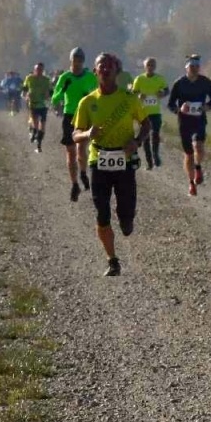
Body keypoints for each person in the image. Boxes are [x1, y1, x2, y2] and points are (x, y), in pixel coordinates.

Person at [71, 53, 151, 277]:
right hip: (99, 161)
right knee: (102, 213)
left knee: (126, 215)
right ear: (95, 72)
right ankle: (112, 260)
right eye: (101, 67)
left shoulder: (129, 99)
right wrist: (87, 133)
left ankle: (127, 219)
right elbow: (75, 134)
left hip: (124, 161)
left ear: (117, 71)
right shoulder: (87, 102)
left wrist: (137, 142)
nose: (105, 70)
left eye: (109, 67)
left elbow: (146, 124)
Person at [52, 48, 98, 202]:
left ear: (83, 61)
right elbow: (54, 99)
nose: (77, 63)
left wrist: (89, 95)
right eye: (75, 60)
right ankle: (74, 184)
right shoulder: (64, 77)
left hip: (84, 116)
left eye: (80, 60)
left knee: (81, 148)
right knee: (70, 152)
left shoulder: (90, 77)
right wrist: (63, 90)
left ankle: (83, 172)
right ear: (70, 60)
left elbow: (98, 94)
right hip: (69, 116)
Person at [168, 55, 211, 196]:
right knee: (189, 153)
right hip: (184, 122)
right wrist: (179, 110)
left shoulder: (205, 82)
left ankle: (198, 167)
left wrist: (208, 106)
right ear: (186, 68)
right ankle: (191, 183)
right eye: (192, 66)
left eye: (197, 66)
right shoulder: (179, 83)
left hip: (199, 119)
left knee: (199, 146)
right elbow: (170, 104)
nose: (195, 69)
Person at [130, 59, 169, 169]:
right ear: (145, 66)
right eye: (148, 65)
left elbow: (167, 90)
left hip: (155, 112)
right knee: (145, 137)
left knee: (155, 134)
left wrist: (162, 93)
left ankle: (156, 155)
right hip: (143, 113)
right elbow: (133, 92)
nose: (150, 67)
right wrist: (138, 96)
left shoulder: (160, 78)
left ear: (155, 67)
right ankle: (149, 162)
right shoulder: (139, 79)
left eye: (152, 65)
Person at [22, 63, 53, 151]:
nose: (39, 71)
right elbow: (24, 89)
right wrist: (26, 95)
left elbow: (51, 91)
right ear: (34, 70)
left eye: (41, 69)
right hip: (33, 103)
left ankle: (39, 143)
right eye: (37, 69)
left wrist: (48, 95)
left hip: (43, 104)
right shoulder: (29, 78)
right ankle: (34, 132)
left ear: (43, 70)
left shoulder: (46, 80)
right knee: (35, 122)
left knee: (42, 124)